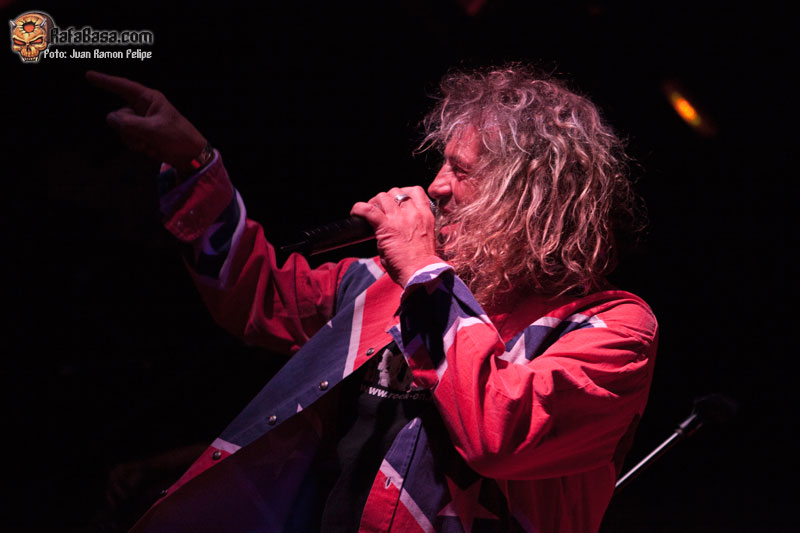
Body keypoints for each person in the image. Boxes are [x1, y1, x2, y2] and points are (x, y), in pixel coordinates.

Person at [87, 64, 658, 532]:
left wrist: (425, 270)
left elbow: (499, 434)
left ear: (527, 196)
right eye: (441, 165)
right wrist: (195, 164)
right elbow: (257, 295)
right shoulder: (385, 284)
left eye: (461, 171)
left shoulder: (611, 329)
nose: (435, 186)